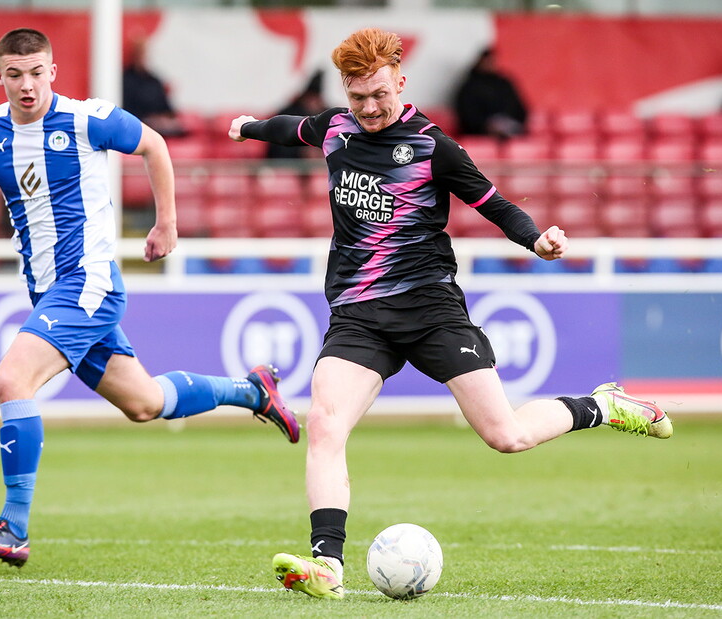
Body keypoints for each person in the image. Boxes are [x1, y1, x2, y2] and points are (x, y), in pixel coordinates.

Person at [228, 27, 672, 600]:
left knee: (506, 435)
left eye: (380, 94)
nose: (369, 108)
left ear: (401, 83)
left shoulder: (434, 146)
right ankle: (327, 566)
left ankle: (604, 405)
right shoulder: (337, 127)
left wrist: (536, 240)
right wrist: (252, 127)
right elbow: (295, 130)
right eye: (357, 96)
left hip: (431, 311)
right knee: (324, 424)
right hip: (359, 316)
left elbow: (493, 203)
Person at [0, 28, 300, 569]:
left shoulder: (86, 119)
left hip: (88, 282)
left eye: (36, 73)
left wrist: (165, 222)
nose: (27, 86)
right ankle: (251, 390)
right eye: (15, 75)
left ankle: (13, 527)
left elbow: (155, 144)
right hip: (49, 290)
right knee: (145, 403)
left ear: (52, 71)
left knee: (12, 379)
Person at [451, 47, 528, 139]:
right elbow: (467, 115)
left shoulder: (504, 84)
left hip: (510, 131)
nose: (490, 64)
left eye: (492, 61)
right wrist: (486, 126)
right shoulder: (469, 86)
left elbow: (520, 109)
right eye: (487, 61)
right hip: (479, 134)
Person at [121, 36, 186, 137]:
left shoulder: (154, 80)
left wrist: (163, 118)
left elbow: (167, 108)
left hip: (158, 125)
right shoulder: (125, 80)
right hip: (138, 124)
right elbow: (125, 109)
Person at [265, 69, 328, 160]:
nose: (313, 103)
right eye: (310, 98)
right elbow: (276, 150)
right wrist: (301, 153)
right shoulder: (286, 115)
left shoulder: (328, 117)